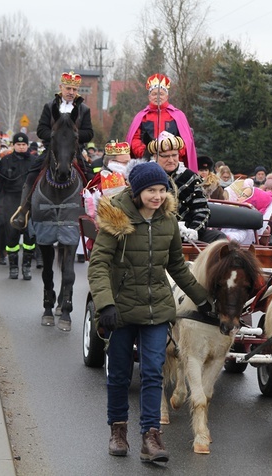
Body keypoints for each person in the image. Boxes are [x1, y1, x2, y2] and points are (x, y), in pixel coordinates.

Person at [87, 161, 210, 462]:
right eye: (151, 191)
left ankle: (150, 436)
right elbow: (99, 264)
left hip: (157, 308)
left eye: (162, 190)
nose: (157, 196)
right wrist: (105, 304)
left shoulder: (167, 220)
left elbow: (178, 267)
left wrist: (204, 300)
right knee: (119, 373)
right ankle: (118, 430)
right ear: (137, 190)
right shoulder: (116, 219)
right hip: (121, 308)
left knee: (153, 372)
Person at [148, 132, 225, 243]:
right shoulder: (147, 175)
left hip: (188, 230)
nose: (171, 160)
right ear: (155, 156)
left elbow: (202, 209)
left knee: (219, 238)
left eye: (174, 155)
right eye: (165, 156)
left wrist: (193, 231)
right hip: (155, 232)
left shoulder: (191, 177)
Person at [0, 133, 37, 280]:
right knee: (11, 236)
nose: (21, 147)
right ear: (14, 145)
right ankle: (14, 267)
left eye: (24, 145)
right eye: (18, 144)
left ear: (27, 145)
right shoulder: (5, 161)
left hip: (29, 203)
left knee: (30, 238)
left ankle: (27, 267)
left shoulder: (35, 162)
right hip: (10, 201)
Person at [126, 73, 198, 172]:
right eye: (154, 94)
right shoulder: (141, 117)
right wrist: (146, 153)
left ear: (166, 96)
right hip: (147, 162)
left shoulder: (178, 115)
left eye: (161, 94)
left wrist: (174, 153)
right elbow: (135, 139)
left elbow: (186, 141)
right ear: (149, 97)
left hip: (174, 164)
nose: (158, 97)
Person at [36, 71, 94, 178]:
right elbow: (41, 130)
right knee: (31, 174)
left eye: (74, 89)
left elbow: (89, 133)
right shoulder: (49, 107)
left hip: (76, 153)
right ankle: (27, 194)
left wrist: (71, 136)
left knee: (91, 178)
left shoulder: (84, 110)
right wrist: (57, 135)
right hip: (51, 151)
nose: (71, 92)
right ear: (61, 87)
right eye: (68, 88)